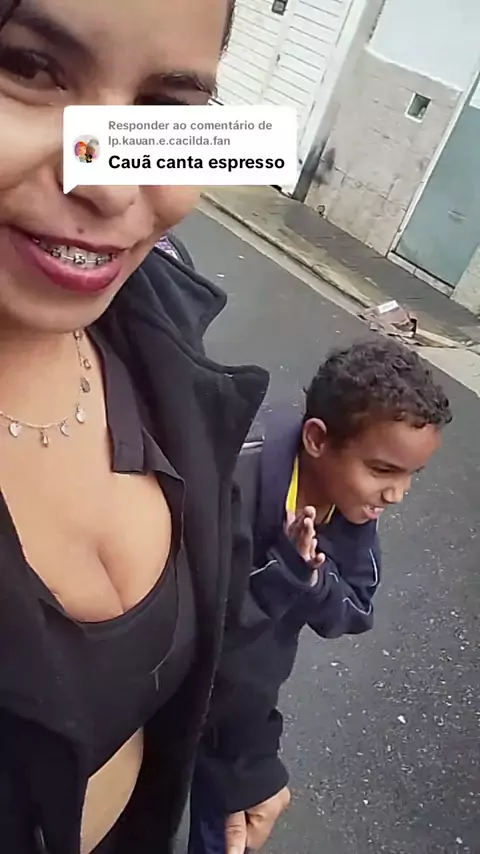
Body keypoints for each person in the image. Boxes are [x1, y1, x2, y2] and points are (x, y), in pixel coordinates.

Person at [0, 1, 290, 852]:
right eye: (27, 67)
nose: (113, 181)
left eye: (164, 111)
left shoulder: (158, 321)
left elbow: (223, 582)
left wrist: (243, 752)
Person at [190, 338, 452, 853]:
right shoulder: (230, 479)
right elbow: (206, 632)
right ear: (316, 438)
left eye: (411, 476)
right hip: (177, 692)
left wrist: (311, 580)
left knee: (226, 829)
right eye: (383, 470)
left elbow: (353, 608)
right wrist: (285, 573)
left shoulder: (351, 508)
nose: (396, 494)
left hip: (241, 712)